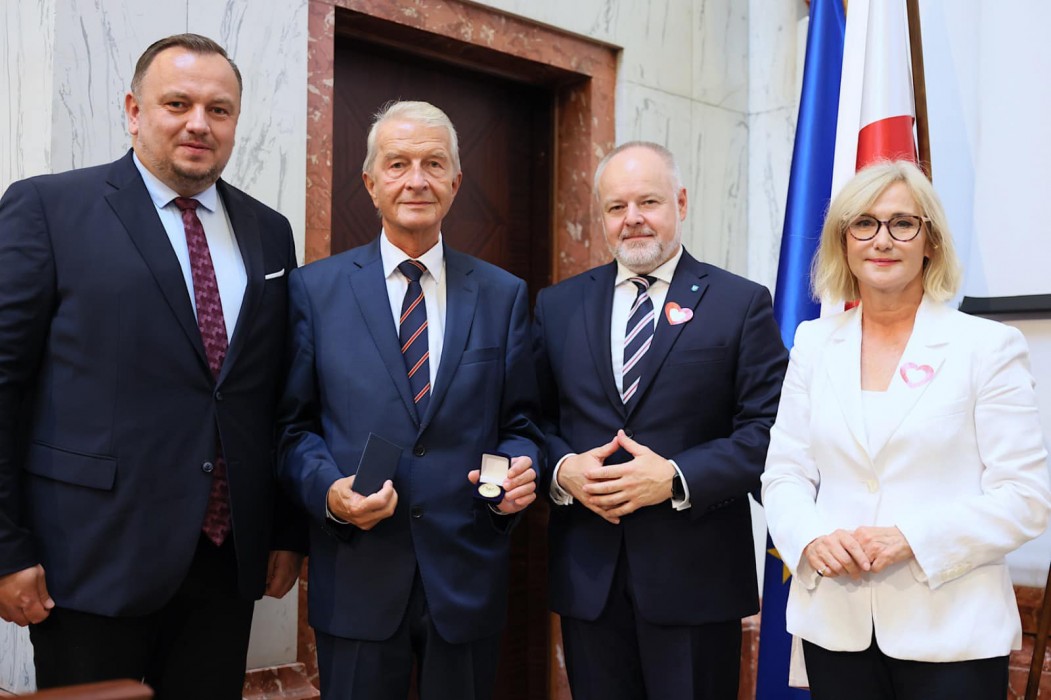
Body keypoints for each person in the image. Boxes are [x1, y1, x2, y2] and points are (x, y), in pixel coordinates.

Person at [0, 33, 304, 696]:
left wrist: (284, 529)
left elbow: (276, 393)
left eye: (219, 110)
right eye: (177, 103)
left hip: (225, 561)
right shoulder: (48, 208)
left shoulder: (269, 231)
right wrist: (5, 548)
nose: (199, 123)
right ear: (134, 111)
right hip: (88, 559)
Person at [278, 100, 543, 699]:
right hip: (358, 574)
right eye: (397, 164)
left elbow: (522, 423)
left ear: (456, 182)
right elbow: (292, 428)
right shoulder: (315, 290)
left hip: (467, 575)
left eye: (433, 163)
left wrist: (519, 470)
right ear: (371, 183)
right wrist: (328, 492)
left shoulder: (502, 294)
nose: (416, 180)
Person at [761, 160, 1051, 699]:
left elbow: (1025, 497)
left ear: (930, 242)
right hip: (836, 625)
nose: (882, 240)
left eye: (902, 223)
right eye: (864, 224)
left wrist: (913, 538)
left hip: (952, 632)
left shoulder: (986, 348)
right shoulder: (814, 344)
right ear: (843, 242)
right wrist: (811, 537)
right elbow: (784, 474)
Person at [532, 141, 788, 699]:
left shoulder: (740, 303)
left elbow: (767, 432)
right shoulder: (558, 307)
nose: (632, 219)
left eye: (648, 201)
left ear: (681, 202)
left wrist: (675, 477)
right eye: (616, 207)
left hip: (697, 581)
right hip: (590, 582)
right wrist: (562, 470)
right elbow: (530, 421)